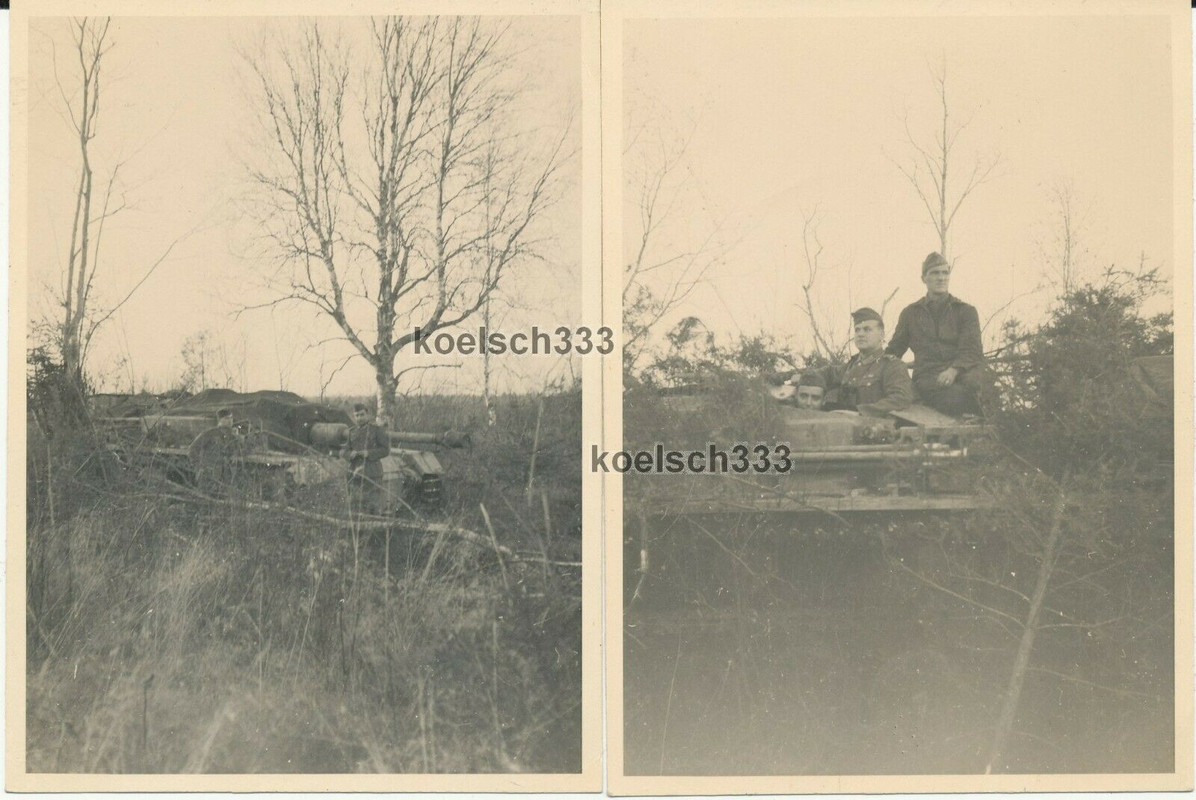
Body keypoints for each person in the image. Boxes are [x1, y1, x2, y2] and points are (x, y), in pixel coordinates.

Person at [886, 252, 991, 416]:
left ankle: (978, 430)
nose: (941, 278)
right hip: (929, 377)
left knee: (970, 387)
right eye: (935, 273)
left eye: (945, 273)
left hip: (962, 374)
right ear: (924, 278)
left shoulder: (965, 311)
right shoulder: (911, 313)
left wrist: (953, 370)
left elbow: (971, 350)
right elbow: (894, 350)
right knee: (953, 397)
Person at [825, 307, 913, 417]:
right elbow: (824, 374)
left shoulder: (892, 366)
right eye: (857, 330)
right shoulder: (850, 366)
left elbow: (900, 399)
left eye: (867, 329)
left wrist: (861, 412)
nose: (860, 334)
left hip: (877, 429)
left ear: (881, 335)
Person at [341, 403, 390, 515]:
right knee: (355, 506)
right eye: (356, 415)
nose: (359, 418)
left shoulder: (377, 430)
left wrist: (369, 453)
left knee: (372, 507)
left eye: (362, 415)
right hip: (354, 473)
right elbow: (343, 451)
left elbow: (386, 450)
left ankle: (373, 531)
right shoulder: (351, 432)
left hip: (372, 473)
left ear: (367, 414)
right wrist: (349, 454)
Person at [189, 408, 243, 494]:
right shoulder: (210, 433)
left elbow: (241, 450)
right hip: (209, 475)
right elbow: (193, 449)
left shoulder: (232, 436)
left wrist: (238, 438)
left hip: (225, 476)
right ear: (220, 420)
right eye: (226, 418)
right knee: (205, 498)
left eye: (231, 418)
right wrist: (199, 467)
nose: (230, 421)